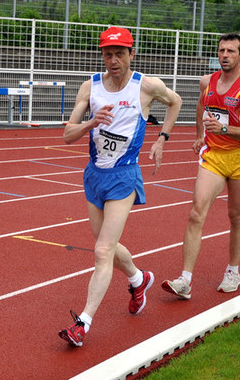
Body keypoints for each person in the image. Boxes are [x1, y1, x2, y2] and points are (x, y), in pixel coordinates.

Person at [58, 26, 182, 347]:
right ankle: (139, 279)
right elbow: (68, 134)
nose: (113, 60)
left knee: (101, 252)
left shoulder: (146, 86)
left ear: (131, 54)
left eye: (119, 54)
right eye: (108, 54)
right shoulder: (91, 87)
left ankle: (82, 323)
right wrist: (90, 122)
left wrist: (162, 139)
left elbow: (176, 102)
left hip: (124, 176)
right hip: (94, 176)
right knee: (106, 245)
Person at [161, 33, 240, 299]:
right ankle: (184, 280)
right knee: (196, 212)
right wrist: (199, 134)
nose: (225, 55)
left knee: (236, 216)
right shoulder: (207, 81)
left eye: (231, 51)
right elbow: (200, 104)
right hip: (214, 156)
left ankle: (233, 271)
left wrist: (225, 128)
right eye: (221, 50)